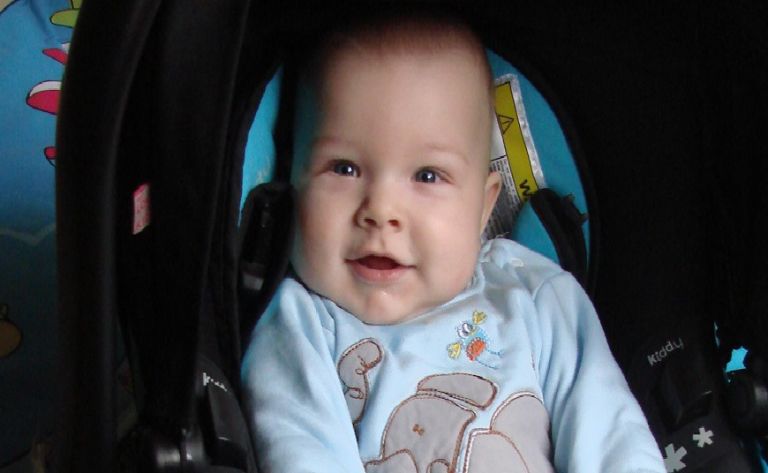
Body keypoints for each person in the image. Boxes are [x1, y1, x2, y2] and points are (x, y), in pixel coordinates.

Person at [242, 9, 666, 473]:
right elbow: (304, 454)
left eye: (427, 176)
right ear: (292, 181)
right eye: (344, 168)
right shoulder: (298, 324)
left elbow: (612, 438)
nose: (381, 210)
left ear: (482, 208)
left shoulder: (535, 294)